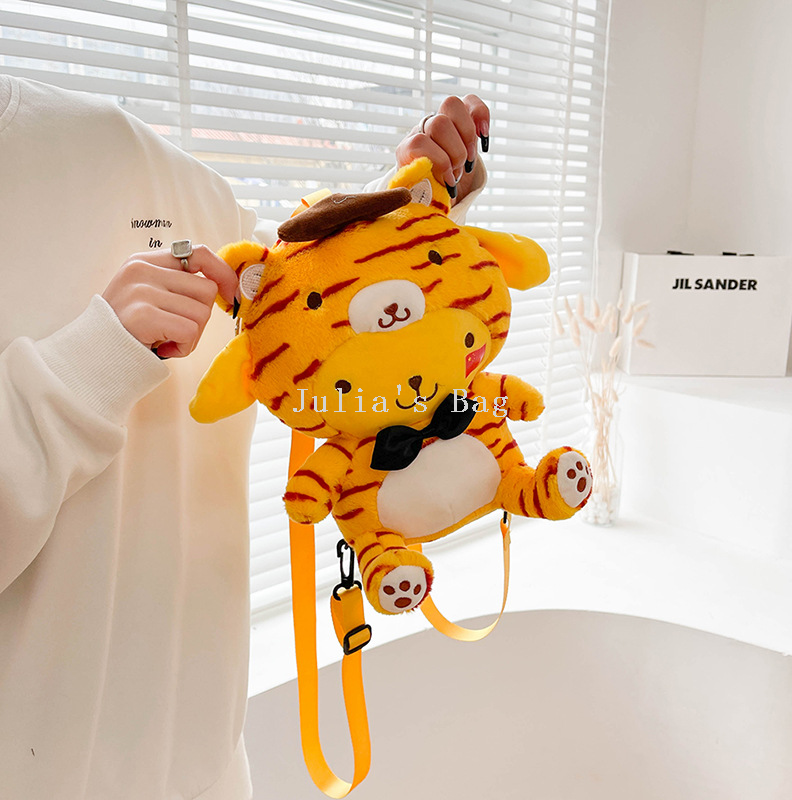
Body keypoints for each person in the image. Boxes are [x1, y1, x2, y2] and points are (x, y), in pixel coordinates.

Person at [0, 72, 490, 800]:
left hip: (208, 770)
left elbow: (300, 296)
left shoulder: (130, 158)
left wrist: (413, 202)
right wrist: (88, 366)